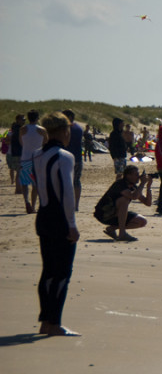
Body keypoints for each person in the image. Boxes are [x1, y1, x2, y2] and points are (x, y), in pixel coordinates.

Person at [33, 112, 80, 336]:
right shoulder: (65, 156)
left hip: (42, 217)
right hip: (60, 220)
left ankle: (45, 321)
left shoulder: (36, 155)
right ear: (63, 131)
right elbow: (67, 195)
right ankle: (55, 324)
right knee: (62, 273)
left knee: (48, 272)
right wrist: (71, 224)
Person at [93, 165, 150, 241]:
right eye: (136, 174)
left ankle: (112, 228)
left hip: (116, 215)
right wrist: (142, 183)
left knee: (142, 221)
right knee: (124, 200)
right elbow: (134, 196)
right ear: (128, 175)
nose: (138, 177)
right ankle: (122, 233)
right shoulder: (120, 184)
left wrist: (148, 187)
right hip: (104, 214)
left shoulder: (133, 187)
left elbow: (147, 203)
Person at [20, 109, 48, 213]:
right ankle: (33, 205)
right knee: (35, 183)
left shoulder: (23, 129)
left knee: (24, 182)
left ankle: (26, 202)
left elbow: (21, 142)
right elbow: (46, 142)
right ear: (37, 118)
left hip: (25, 158)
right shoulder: (42, 130)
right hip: (37, 159)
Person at [61, 110, 84, 211]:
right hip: (78, 158)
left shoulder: (67, 128)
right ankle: (76, 205)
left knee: (65, 182)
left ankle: (67, 204)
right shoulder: (79, 127)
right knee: (76, 182)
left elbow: (64, 143)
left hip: (67, 158)